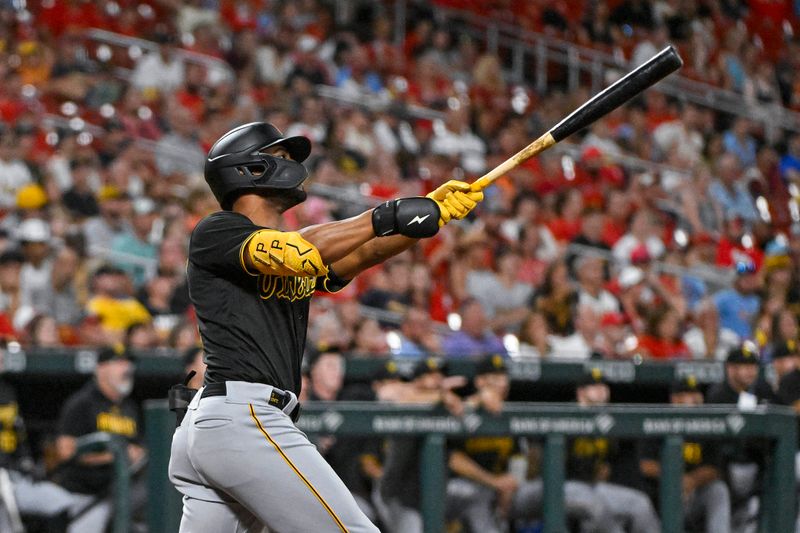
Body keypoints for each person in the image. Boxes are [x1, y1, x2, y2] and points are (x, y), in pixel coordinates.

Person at [168, 122, 483, 531]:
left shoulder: (293, 248)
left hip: (221, 424)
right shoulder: (219, 230)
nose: (293, 166)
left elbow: (360, 252)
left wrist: (428, 214)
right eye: (280, 157)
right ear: (248, 169)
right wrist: (386, 214)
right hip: (243, 417)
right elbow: (301, 252)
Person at [54, 345, 146, 532]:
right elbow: (64, 451)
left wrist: (138, 454)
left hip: (123, 493)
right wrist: (114, 456)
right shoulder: (82, 403)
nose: (127, 368)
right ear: (101, 369)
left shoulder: (129, 408)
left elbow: (140, 448)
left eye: (128, 363)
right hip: (85, 495)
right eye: (119, 362)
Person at [640, 376, 731, 533]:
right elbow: (644, 464)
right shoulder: (658, 422)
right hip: (662, 495)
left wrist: (692, 480)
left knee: (718, 490)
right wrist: (674, 476)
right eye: (687, 394)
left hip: (694, 493)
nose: (694, 399)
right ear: (675, 399)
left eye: (696, 393)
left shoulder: (708, 425)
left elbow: (715, 468)